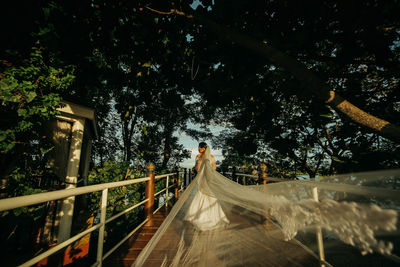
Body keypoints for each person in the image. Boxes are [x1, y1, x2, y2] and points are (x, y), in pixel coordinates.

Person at [184, 142, 230, 231]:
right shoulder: (205, 157)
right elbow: (211, 168)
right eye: (198, 147)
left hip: (205, 177)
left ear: (204, 148)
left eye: (199, 148)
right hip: (203, 177)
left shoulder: (202, 157)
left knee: (205, 194)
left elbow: (204, 168)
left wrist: (202, 168)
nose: (198, 149)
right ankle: (203, 216)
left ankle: (203, 217)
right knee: (202, 194)